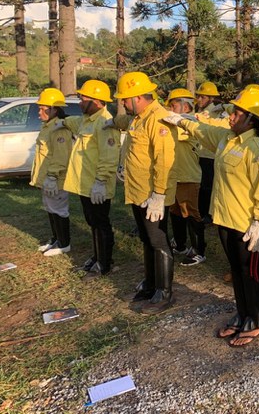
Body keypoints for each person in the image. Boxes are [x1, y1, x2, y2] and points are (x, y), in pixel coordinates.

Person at [165, 87, 259, 347]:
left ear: (252, 119)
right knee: (237, 272)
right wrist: (182, 120)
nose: (232, 117)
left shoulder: (257, 147)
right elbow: (202, 131)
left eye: (238, 113)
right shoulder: (226, 138)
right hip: (225, 219)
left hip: (248, 225)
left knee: (251, 274)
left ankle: (256, 319)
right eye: (233, 111)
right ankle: (243, 313)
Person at [115, 71, 178, 314]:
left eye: (125, 99)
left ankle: (164, 292)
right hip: (138, 191)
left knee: (158, 240)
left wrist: (159, 195)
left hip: (153, 195)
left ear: (138, 97)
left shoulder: (158, 118)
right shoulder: (138, 118)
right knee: (146, 239)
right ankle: (152, 284)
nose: (122, 103)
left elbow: (164, 160)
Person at [60, 80, 119, 275]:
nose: (79, 102)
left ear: (96, 101)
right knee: (92, 222)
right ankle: (97, 256)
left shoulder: (104, 123)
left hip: (97, 185)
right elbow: (72, 122)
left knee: (101, 223)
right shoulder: (87, 120)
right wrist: (60, 119)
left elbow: (109, 155)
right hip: (86, 185)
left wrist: (101, 181)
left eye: (82, 98)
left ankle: (105, 262)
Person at [165, 88, 207, 266]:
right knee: (175, 211)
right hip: (174, 176)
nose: (170, 110)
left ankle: (199, 250)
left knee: (191, 213)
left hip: (188, 176)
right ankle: (180, 244)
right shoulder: (177, 122)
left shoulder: (191, 123)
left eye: (173, 106)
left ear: (185, 105)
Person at [31, 88, 73, 257]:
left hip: (56, 179)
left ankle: (64, 243)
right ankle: (56, 239)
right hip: (48, 178)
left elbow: (61, 156)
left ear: (54, 110)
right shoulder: (48, 126)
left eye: (43, 108)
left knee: (59, 210)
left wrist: (52, 176)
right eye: (39, 108)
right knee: (51, 208)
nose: (39, 111)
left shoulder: (59, 128)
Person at [194, 81, 224, 225]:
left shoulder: (216, 112)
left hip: (210, 154)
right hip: (201, 152)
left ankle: (208, 214)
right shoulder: (200, 111)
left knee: (208, 185)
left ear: (212, 98)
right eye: (199, 96)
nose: (199, 100)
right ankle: (202, 211)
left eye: (203, 97)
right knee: (202, 184)